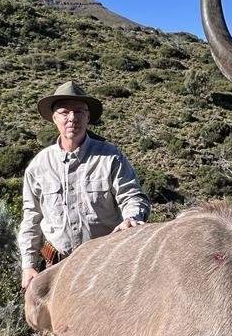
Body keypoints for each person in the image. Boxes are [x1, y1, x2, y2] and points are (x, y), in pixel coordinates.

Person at [19, 81, 151, 290]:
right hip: (56, 267)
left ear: (88, 117)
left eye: (79, 112)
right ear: (54, 118)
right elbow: (32, 218)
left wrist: (132, 218)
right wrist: (28, 265)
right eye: (64, 112)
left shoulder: (110, 157)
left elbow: (132, 196)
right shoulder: (38, 166)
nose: (72, 118)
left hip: (105, 266)